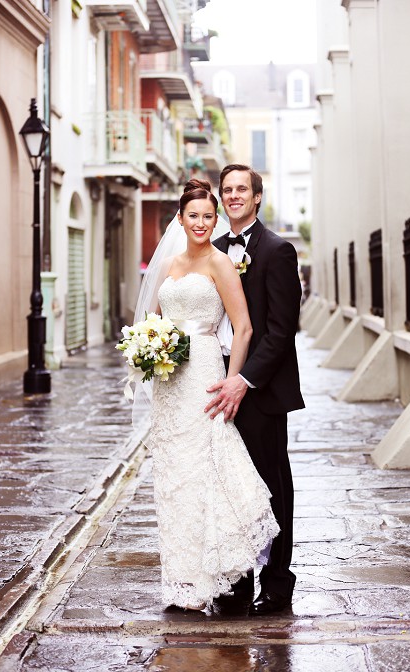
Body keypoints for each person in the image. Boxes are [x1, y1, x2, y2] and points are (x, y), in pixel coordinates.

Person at [139, 179, 279, 611]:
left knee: (208, 470)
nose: (200, 223)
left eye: (207, 216)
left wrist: (232, 381)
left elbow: (245, 328)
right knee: (175, 476)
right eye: (193, 215)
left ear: (214, 220)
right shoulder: (169, 266)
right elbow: (154, 321)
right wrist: (148, 349)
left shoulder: (220, 263)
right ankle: (183, 580)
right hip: (169, 383)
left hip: (204, 374)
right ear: (180, 219)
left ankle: (217, 570)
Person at [204, 164, 305, 616]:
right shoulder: (214, 250)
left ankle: (278, 583)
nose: (234, 196)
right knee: (231, 488)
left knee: (270, 487)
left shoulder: (278, 251)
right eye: (227, 190)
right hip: (217, 383)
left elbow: (282, 331)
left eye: (242, 189)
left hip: (260, 391)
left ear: (258, 196)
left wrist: (244, 380)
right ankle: (238, 579)